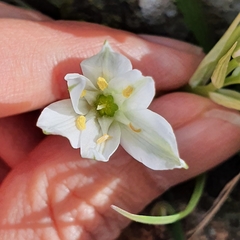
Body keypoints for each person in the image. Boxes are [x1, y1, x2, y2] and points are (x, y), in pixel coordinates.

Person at [0, 2, 240, 240]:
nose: (105, 107)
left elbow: (106, 55)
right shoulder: (68, 112)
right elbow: (102, 59)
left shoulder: (110, 82)